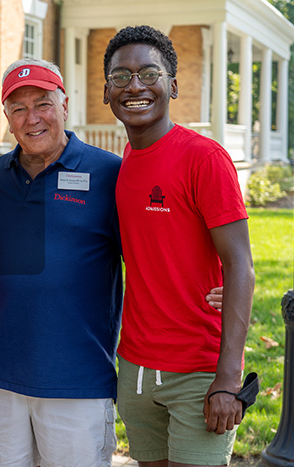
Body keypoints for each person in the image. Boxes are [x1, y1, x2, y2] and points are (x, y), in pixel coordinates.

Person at [0, 58, 225, 467]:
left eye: (44, 103)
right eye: (19, 108)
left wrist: (215, 282)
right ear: (7, 118)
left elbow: (154, 248)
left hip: (78, 382)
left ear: (65, 104)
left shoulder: (110, 174)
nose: (33, 118)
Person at [103, 25, 255, 467]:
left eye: (149, 73)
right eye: (120, 76)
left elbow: (240, 265)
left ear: (172, 85)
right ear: (108, 91)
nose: (135, 86)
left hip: (199, 372)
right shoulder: (122, 166)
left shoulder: (203, 158)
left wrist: (227, 379)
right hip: (134, 367)